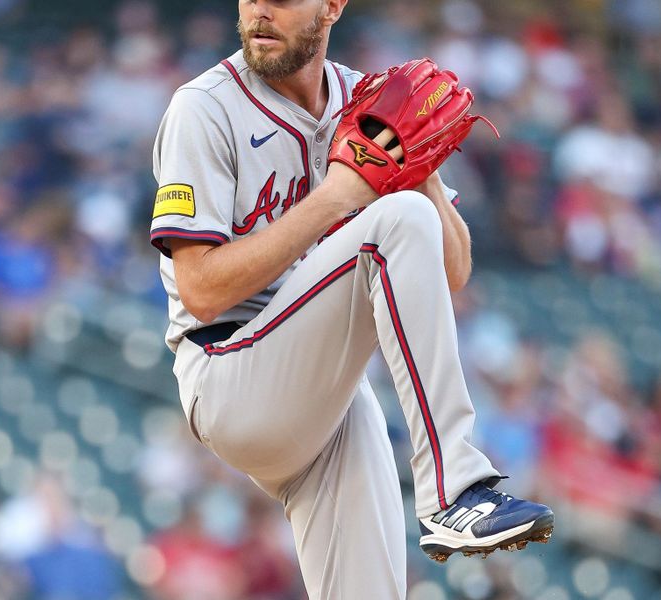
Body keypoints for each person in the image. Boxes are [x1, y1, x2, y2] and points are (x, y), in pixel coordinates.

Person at [150, 1, 554, 597]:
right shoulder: (204, 107)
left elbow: (454, 272)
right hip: (230, 373)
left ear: (333, 5)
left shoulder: (369, 100)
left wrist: (425, 177)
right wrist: (335, 200)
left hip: (326, 392)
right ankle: (454, 488)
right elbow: (202, 291)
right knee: (396, 220)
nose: (260, 9)